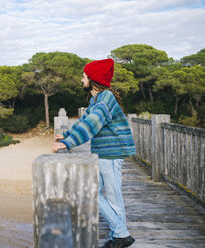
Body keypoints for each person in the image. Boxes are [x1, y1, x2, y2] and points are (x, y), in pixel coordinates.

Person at [52, 58, 136, 248]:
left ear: (93, 79)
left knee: (113, 197)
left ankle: (121, 236)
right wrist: (66, 135)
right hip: (104, 153)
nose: (82, 80)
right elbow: (84, 121)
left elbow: (92, 124)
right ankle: (120, 234)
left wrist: (67, 143)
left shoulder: (105, 98)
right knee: (93, 192)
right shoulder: (98, 99)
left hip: (112, 153)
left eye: (84, 76)